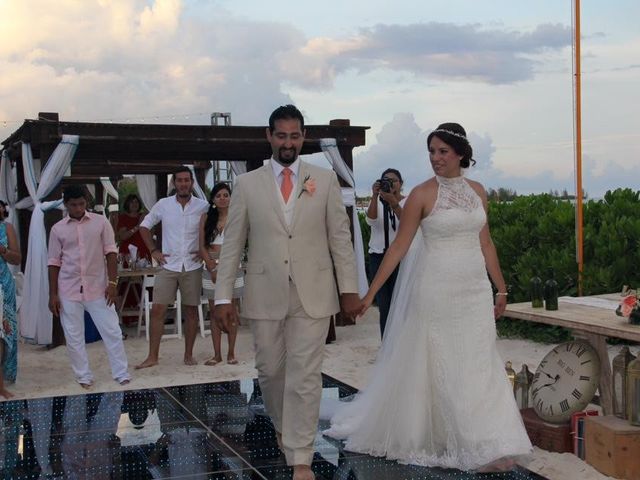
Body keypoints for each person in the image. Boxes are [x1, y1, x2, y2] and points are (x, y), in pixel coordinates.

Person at [324, 123, 532, 472]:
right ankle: (456, 438)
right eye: (431, 152)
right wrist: (370, 293)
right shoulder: (421, 194)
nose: (435, 158)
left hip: (474, 291)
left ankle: (489, 437)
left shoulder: (478, 191)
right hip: (436, 289)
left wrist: (501, 288)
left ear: (461, 154)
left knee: (479, 363)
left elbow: (486, 243)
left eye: (443, 152)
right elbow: (399, 248)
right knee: (445, 362)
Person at [214, 104, 360, 480]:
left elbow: (340, 239)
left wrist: (348, 289)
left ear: (303, 138)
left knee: (306, 373)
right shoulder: (247, 185)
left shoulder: (324, 180)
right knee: (271, 370)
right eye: (281, 135)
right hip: (265, 290)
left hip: (313, 291)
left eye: (295, 136)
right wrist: (222, 296)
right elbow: (233, 243)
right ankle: (285, 429)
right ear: (269, 136)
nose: (288, 142)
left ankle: (301, 456)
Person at [47, 186, 131, 389]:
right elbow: (53, 262)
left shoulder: (100, 222)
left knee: (111, 330)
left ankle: (121, 373)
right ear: (66, 205)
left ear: (87, 203)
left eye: (82, 204)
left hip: (98, 286)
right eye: (74, 205)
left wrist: (112, 283)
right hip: (68, 287)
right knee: (74, 335)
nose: (78, 208)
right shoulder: (57, 229)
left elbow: (111, 253)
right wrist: (52, 294)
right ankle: (83, 376)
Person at [136, 167, 209, 369]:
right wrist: (153, 250)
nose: (183, 184)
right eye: (179, 180)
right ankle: (152, 357)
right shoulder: (163, 204)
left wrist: (204, 249)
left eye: (187, 180)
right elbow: (144, 226)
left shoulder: (203, 206)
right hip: (168, 265)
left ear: (192, 183)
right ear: (174, 183)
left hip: (193, 266)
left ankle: (188, 355)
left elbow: (215, 228)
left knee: (192, 310)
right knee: (158, 309)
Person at [198, 182, 244, 366]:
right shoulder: (206, 218)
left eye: (226, 195)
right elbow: (201, 246)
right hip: (211, 265)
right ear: (213, 200)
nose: (223, 198)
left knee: (232, 311)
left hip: (233, 264)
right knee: (215, 311)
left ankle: (231, 352)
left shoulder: (238, 217)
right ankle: (216, 354)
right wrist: (211, 266)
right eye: (219, 196)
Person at [365, 168, 406, 337]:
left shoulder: (407, 202)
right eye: (385, 181)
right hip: (378, 257)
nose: (390, 183)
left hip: (401, 257)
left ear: (401, 184)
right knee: (384, 304)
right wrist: (375, 196)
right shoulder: (377, 202)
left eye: (393, 180)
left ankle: (400, 344)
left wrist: (393, 202)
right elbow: (371, 220)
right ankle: (386, 346)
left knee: (401, 303)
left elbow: (407, 222)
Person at [0, 200, 20, 398]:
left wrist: (3, 250)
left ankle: (3, 379)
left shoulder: (7, 228)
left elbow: (17, 259)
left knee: (5, 333)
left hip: (3, 284)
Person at [116, 194, 150, 262]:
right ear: (127, 204)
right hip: (127, 254)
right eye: (132, 202)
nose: (134, 204)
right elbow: (123, 236)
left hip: (143, 252)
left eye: (136, 202)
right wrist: (138, 226)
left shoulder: (143, 216)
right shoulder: (123, 218)